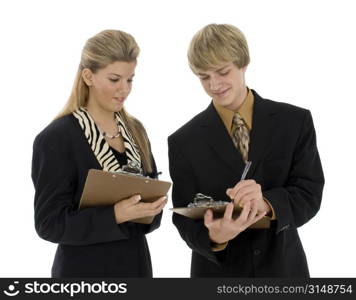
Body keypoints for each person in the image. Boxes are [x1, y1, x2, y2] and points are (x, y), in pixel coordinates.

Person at [168, 24, 324, 277]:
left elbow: (309, 193)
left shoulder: (294, 122)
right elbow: (184, 217)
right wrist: (215, 236)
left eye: (222, 72)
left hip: (283, 269)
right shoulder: (183, 141)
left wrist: (266, 203)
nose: (214, 84)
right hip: (218, 274)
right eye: (204, 77)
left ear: (243, 63)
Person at [32, 29, 167, 277]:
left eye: (130, 79)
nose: (124, 89)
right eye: (115, 79)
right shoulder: (57, 138)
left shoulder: (135, 130)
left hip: (136, 268)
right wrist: (115, 214)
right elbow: (48, 224)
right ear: (88, 76)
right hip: (82, 274)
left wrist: (151, 209)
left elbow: (151, 218)